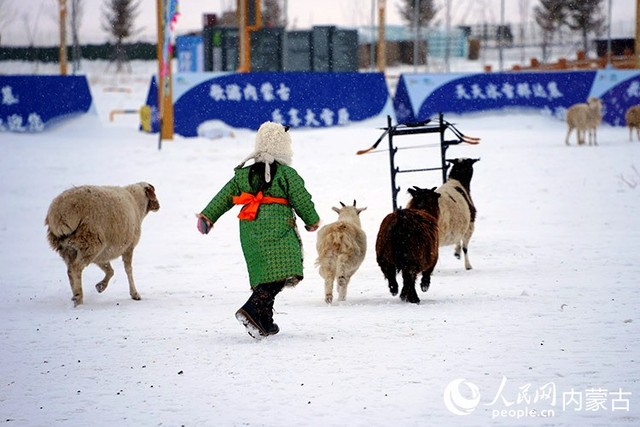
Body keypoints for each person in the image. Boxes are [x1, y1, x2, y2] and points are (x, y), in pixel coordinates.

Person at [197, 121, 320, 339]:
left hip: (250, 227)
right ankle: (251, 309)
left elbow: (224, 196)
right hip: (278, 227)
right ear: (284, 147)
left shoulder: (244, 175)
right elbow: (301, 198)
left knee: (265, 272)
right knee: (282, 270)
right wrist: (311, 220)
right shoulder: (286, 174)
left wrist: (208, 216)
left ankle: (264, 319)